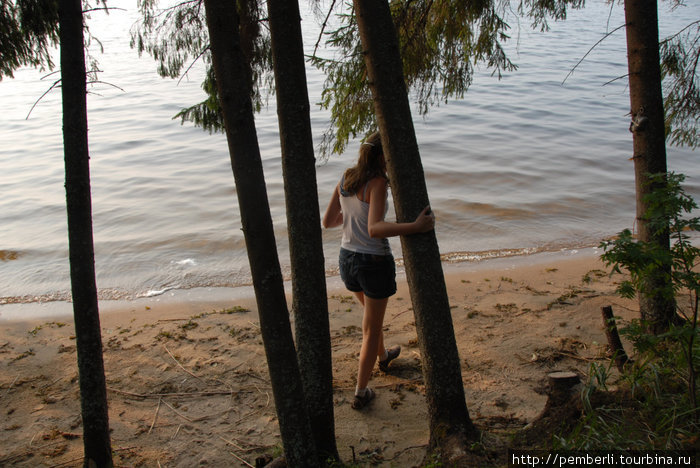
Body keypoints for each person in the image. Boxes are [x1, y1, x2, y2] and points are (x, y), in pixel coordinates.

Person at [322, 131, 435, 410]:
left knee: (371, 321)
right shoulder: (378, 183)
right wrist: (414, 227)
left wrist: (351, 220)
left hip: (347, 260)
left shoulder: (346, 177)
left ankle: (383, 357)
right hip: (372, 263)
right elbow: (375, 229)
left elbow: (328, 221)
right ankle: (361, 392)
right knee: (370, 329)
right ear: (383, 156)